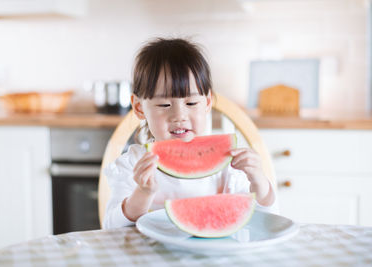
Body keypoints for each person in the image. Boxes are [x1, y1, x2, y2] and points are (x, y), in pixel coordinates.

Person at [102, 38, 277, 229]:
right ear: (139, 107)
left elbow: (264, 219)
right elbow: (111, 228)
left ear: (208, 102)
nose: (179, 116)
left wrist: (259, 181)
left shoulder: (229, 165)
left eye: (191, 103)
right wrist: (142, 194)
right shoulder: (132, 166)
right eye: (164, 105)